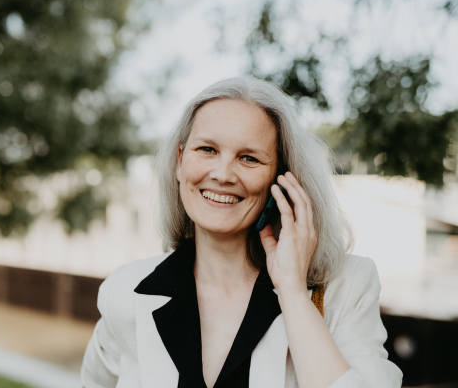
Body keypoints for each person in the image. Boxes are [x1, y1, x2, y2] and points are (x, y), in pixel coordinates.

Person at [81, 76, 403, 387]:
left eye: (248, 158)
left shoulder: (345, 289)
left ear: (282, 178)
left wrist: (291, 290)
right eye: (207, 149)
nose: (222, 174)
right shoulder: (125, 293)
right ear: (180, 161)